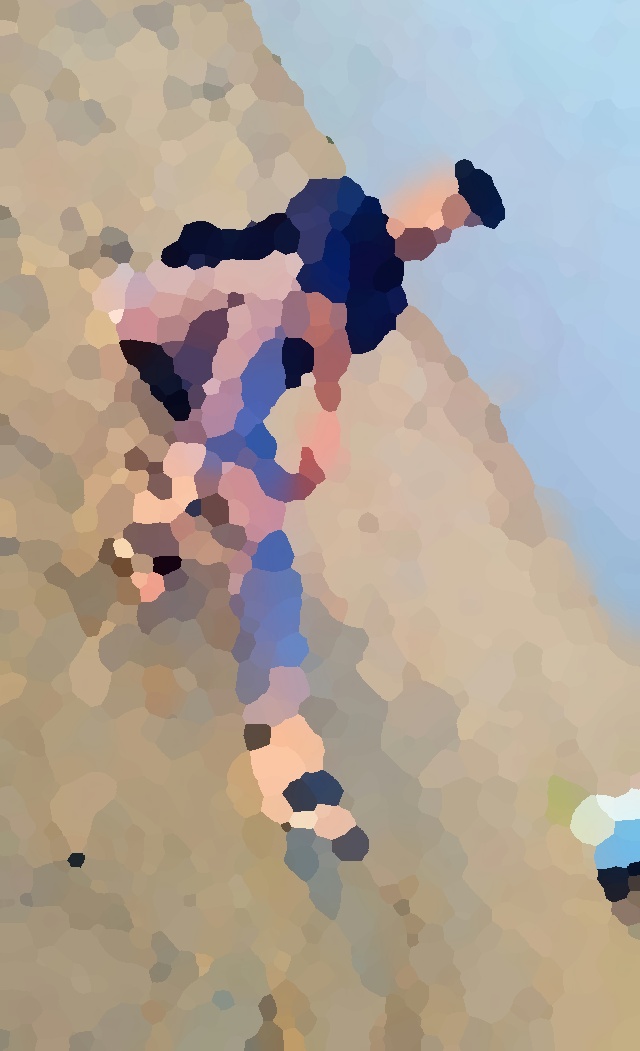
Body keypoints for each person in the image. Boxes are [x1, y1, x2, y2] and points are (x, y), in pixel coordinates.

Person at [95, 162, 504, 860]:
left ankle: (284, 752)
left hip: (215, 406)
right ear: (419, 185)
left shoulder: (386, 302)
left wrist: (305, 438)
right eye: (444, 206)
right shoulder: (337, 201)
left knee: (269, 550)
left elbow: (326, 339)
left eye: (454, 226)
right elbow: (312, 305)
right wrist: (328, 417)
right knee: (275, 296)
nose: (439, 228)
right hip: (161, 319)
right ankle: (157, 519)